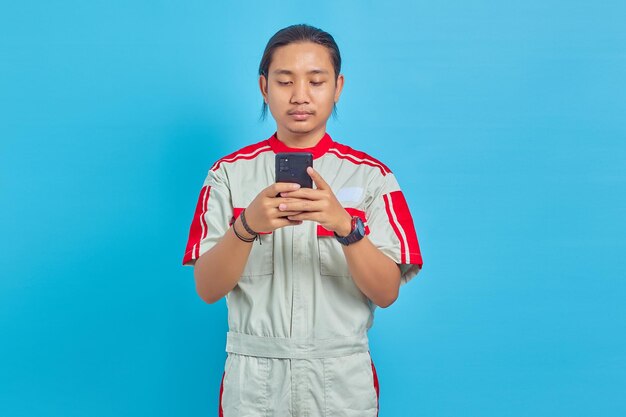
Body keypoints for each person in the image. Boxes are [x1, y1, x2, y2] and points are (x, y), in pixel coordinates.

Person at [182, 23, 423, 417]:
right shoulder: (228, 174)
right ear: (264, 87)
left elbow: (387, 292)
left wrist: (346, 228)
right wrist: (247, 227)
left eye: (316, 81)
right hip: (254, 378)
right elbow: (207, 288)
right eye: (284, 81)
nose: (300, 96)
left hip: (340, 379)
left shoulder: (372, 178)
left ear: (338, 87)